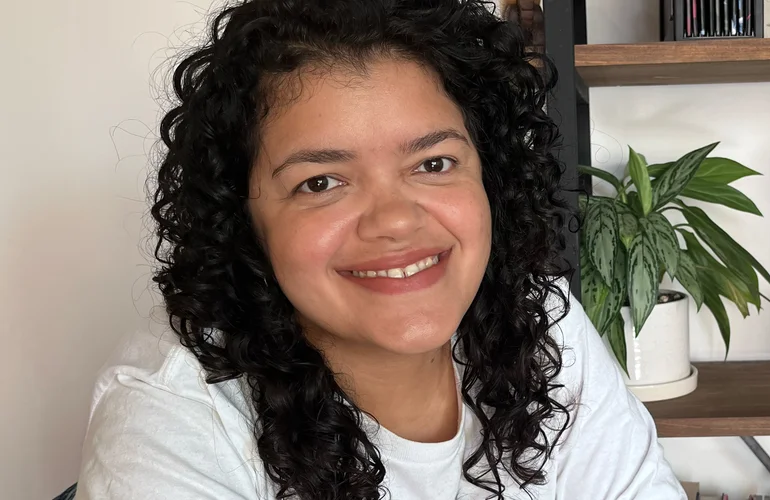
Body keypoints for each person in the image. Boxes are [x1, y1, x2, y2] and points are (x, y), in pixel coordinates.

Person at [73, 1, 686, 499]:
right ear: (242, 219)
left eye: (434, 162)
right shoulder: (171, 417)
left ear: (489, 177)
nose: (395, 220)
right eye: (321, 182)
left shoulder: (540, 316)